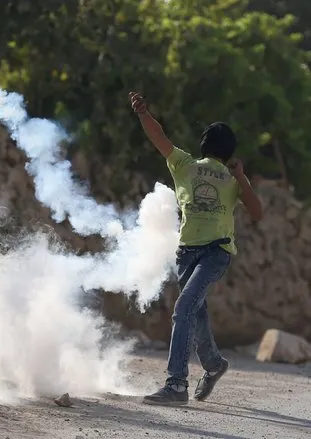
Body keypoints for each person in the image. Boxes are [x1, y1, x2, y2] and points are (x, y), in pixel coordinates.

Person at [128, 92, 263, 406]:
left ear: (204, 143)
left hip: (211, 253)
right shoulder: (229, 178)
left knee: (184, 308)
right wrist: (241, 176)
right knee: (196, 312)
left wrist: (143, 113)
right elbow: (258, 213)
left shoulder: (183, 163)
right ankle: (214, 365)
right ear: (230, 150)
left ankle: (176, 385)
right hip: (191, 254)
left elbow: (158, 136)